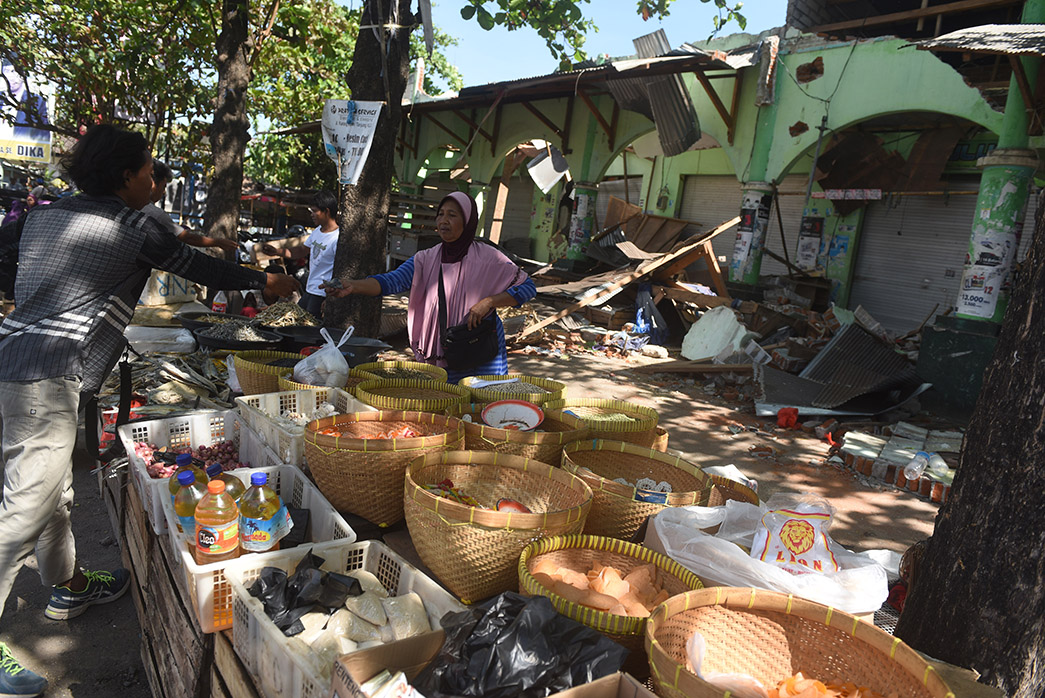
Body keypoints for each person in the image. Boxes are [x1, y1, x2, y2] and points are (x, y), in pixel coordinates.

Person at [0, 124, 299, 697]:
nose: (153, 178)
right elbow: (198, 266)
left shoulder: (45, 215)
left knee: (52, 494)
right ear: (125, 176)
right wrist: (267, 280)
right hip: (48, 376)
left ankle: (69, 585)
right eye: (147, 169)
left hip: (15, 360)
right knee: (24, 509)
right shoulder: (130, 225)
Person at [322, 191, 536, 383]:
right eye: (440, 214)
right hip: (447, 350)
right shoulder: (426, 259)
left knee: (484, 401)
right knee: (448, 403)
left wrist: (489, 302)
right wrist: (353, 286)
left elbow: (527, 287)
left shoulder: (490, 258)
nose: (444, 220)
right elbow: (390, 281)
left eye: (452, 215)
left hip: (483, 350)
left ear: (468, 220)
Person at [262, 190, 339, 319]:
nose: (312, 215)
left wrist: (330, 298)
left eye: (314, 211)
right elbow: (301, 250)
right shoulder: (317, 232)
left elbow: (340, 270)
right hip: (310, 290)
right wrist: (277, 251)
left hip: (322, 294)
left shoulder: (337, 238)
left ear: (326, 211)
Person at [144, 160, 239, 252]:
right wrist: (218, 242)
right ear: (153, 184)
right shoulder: (154, 213)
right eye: (163, 186)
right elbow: (187, 237)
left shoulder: (140, 208)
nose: (164, 192)